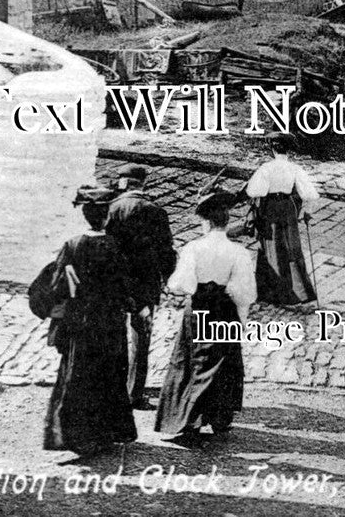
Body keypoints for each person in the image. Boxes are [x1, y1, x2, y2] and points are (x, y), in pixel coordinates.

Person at [43, 187, 137, 456]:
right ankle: (106, 433)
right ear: (107, 216)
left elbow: (56, 287)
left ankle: (77, 436)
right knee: (109, 375)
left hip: (81, 322)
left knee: (78, 376)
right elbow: (125, 287)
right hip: (109, 323)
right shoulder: (116, 246)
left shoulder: (72, 246)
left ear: (85, 215)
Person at [155, 190, 256, 440]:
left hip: (199, 306)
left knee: (192, 360)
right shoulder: (239, 252)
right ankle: (219, 417)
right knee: (223, 362)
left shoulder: (194, 247)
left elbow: (179, 284)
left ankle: (188, 418)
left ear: (206, 222)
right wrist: (239, 316)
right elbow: (245, 292)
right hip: (225, 308)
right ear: (225, 221)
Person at [104, 165, 175, 409]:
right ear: (142, 185)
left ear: (122, 183)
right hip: (144, 285)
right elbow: (166, 252)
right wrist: (168, 279)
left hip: (114, 283)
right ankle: (134, 393)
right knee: (140, 339)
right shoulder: (156, 212)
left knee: (112, 335)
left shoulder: (110, 209)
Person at [245, 133, 319, 305]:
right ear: (288, 151)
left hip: (270, 208)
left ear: (272, 149)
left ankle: (270, 292)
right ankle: (298, 292)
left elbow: (254, 191)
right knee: (291, 246)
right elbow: (310, 193)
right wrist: (307, 211)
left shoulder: (266, 168)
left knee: (270, 246)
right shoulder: (294, 168)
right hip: (287, 209)